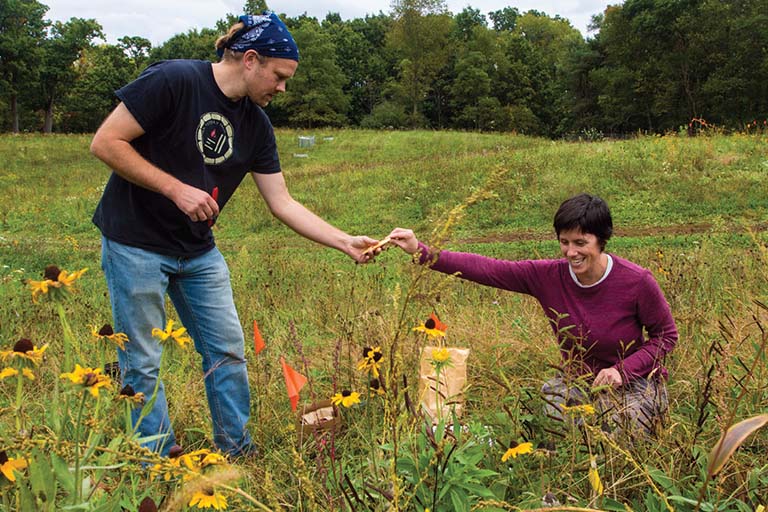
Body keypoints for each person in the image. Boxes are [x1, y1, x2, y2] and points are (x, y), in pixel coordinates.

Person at [90, 12, 380, 457]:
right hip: (135, 244)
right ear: (250, 59)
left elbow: (282, 202)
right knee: (143, 362)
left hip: (197, 251)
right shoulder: (174, 81)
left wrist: (344, 241)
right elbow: (106, 142)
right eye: (280, 76)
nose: (282, 89)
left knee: (227, 351)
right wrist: (175, 189)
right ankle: (156, 463)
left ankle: (236, 452)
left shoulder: (256, 125)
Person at [386, 194, 678, 435]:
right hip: (577, 381)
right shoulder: (547, 276)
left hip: (634, 382)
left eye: (580, 243)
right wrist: (420, 250)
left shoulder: (636, 281)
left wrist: (621, 371)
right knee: (554, 420)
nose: (571, 252)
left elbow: (666, 336)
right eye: (564, 241)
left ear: (602, 240)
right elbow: (488, 268)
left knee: (622, 431)